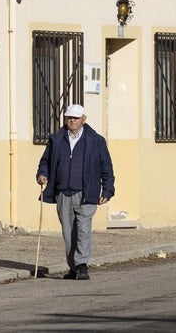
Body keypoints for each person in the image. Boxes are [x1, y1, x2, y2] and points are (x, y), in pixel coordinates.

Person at [36, 104, 115, 280]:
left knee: (83, 229)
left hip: (86, 192)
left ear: (84, 119)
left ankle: (82, 265)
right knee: (68, 231)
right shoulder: (56, 139)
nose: (72, 120)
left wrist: (107, 190)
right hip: (63, 192)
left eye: (76, 118)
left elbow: (106, 167)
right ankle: (74, 267)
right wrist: (42, 174)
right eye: (69, 117)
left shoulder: (96, 140)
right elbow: (45, 161)